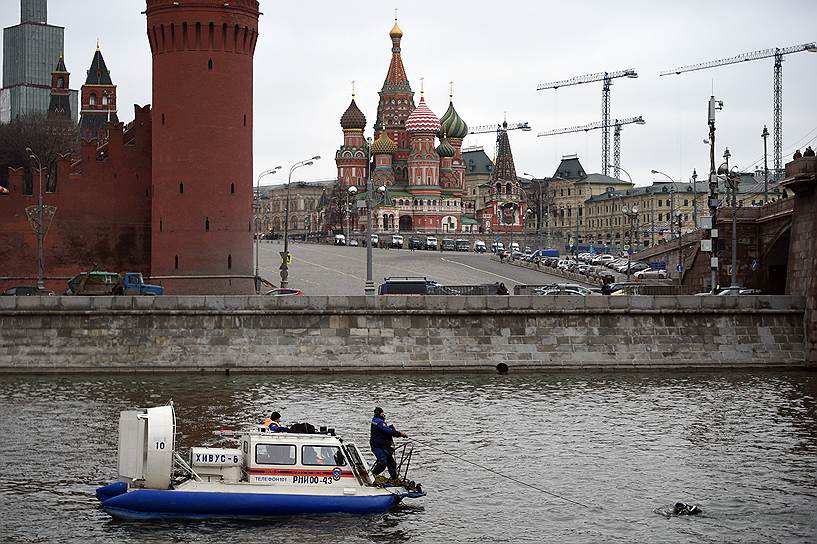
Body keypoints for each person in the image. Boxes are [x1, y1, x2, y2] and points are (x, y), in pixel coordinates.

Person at [370, 407, 407, 481]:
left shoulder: (375, 420)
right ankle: (371, 477)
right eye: (382, 413)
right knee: (383, 462)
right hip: (378, 447)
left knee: (391, 464)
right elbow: (389, 431)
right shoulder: (379, 422)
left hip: (383, 446)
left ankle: (394, 480)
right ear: (380, 413)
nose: (384, 415)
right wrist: (401, 434)